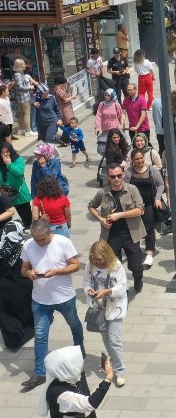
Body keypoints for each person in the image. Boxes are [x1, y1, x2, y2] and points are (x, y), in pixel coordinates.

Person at [19, 219, 83, 389]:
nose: (39, 242)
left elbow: (76, 265)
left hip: (64, 298)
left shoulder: (63, 242)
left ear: (50, 232)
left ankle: (80, 355)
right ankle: (39, 373)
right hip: (40, 300)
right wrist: (29, 273)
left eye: (42, 239)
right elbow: (23, 269)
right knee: (40, 336)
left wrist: (57, 271)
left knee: (74, 325)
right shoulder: (28, 244)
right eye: (36, 239)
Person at [88, 163, 146, 293]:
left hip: (131, 234)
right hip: (111, 235)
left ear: (124, 174)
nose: (116, 179)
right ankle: (119, 288)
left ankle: (138, 278)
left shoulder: (132, 189)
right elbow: (91, 206)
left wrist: (120, 215)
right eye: (113, 176)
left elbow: (140, 210)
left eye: (119, 175)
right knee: (113, 266)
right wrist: (101, 220)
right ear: (108, 177)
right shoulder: (103, 192)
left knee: (136, 265)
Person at [82, 241, 128, 386]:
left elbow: (122, 287)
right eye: (96, 261)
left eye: (101, 262)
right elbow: (85, 282)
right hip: (99, 308)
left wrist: (107, 291)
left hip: (115, 308)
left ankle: (119, 371)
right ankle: (113, 364)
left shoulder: (117, 266)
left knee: (114, 339)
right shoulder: (89, 266)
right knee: (105, 337)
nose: (98, 264)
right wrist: (89, 290)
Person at [40, 345, 114, 417]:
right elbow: (90, 404)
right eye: (78, 360)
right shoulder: (59, 393)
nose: (82, 362)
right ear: (69, 367)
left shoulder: (71, 374)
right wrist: (108, 377)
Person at [124, 148, 164, 269]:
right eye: (137, 159)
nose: (139, 161)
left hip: (149, 205)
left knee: (149, 229)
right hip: (134, 206)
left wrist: (158, 198)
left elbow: (161, 184)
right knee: (133, 228)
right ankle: (136, 251)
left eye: (141, 158)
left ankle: (150, 252)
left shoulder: (152, 170)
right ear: (132, 160)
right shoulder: (128, 172)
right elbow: (124, 187)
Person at [0, 219, 32, 351]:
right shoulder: (25, 246)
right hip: (23, 287)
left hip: (5, 288)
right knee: (25, 312)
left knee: (8, 315)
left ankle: (13, 340)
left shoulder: (2, 248)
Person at [0, 142, 33, 228]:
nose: (5, 154)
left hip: (19, 193)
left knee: (27, 219)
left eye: (7, 151)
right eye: (2, 152)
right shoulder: (0, 162)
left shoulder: (18, 160)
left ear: (11, 151)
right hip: (5, 193)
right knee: (5, 216)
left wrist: (9, 164)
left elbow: (19, 172)